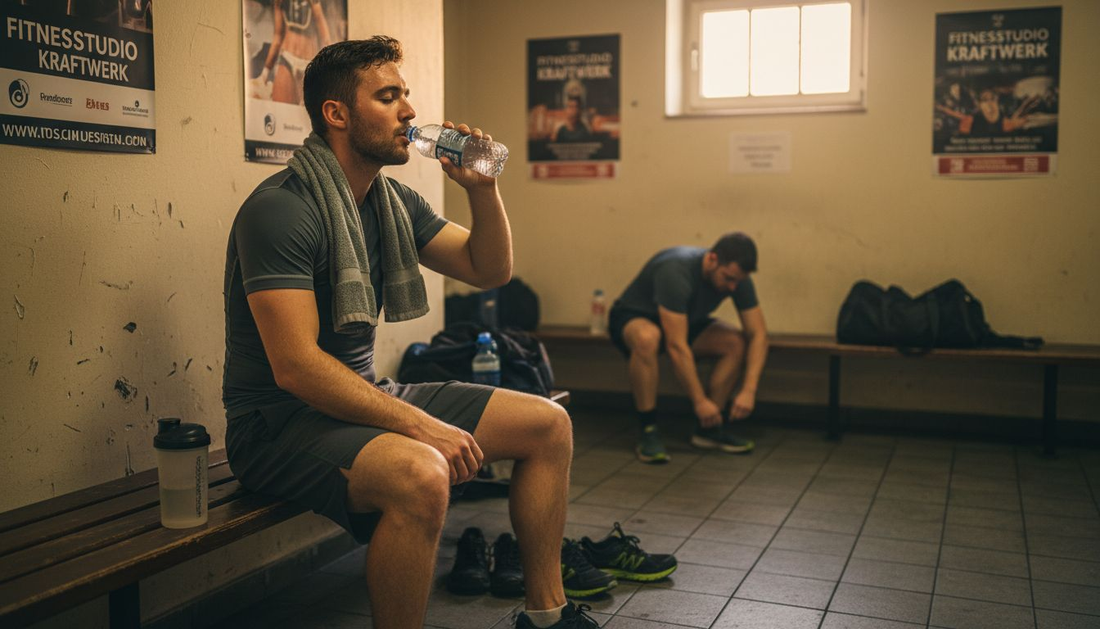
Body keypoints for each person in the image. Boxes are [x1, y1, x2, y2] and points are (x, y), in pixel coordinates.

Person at [223, 37, 597, 629]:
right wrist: (424, 428)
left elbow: (488, 268)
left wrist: (483, 189)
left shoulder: (390, 201)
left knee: (548, 425)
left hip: (361, 398)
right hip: (275, 423)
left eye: (406, 95)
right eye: (389, 96)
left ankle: (546, 617)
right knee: (423, 473)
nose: (409, 112)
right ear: (336, 114)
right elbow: (293, 366)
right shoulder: (281, 210)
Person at [608, 234, 769, 463]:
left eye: (738, 281)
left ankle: (709, 430)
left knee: (735, 342)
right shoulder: (676, 270)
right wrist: (699, 401)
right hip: (636, 317)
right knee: (648, 338)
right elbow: (676, 346)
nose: (733, 287)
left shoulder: (738, 279)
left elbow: (758, 334)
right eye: (728, 278)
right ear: (712, 259)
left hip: (685, 321)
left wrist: (749, 390)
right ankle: (648, 430)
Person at [253, 0, 334, 104]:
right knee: (281, 110)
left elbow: (326, 38)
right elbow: (277, 36)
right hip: (287, 59)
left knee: (306, 116)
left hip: (308, 65)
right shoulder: (280, 2)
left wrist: (330, 70)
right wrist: (264, 74)